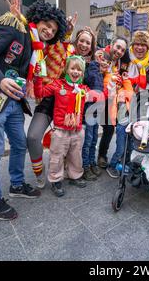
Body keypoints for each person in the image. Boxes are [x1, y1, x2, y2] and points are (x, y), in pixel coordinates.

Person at [0, 0, 67, 220]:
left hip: (13, 102)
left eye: (54, 30)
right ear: (37, 18)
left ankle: (16, 185)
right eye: (47, 24)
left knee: (19, 143)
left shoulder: (36, 45)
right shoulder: (13, 27)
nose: (49, 31)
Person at [27, 27, 97, 188]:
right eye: (81, 40)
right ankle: (51, 177)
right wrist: (38, 78)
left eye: (88, 42)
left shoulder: (89, 72)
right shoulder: (64, 55)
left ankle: (73, 174)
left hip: (75, 122)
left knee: (75, 152)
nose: (84, 44)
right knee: (51, 150)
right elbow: (42, 90)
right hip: (54, 111)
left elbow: (94, 92)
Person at [34, 56, 94, 197]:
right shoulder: (57, 85)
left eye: (79, 70)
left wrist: (109, 89)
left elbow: (97, 97)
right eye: (73, 68)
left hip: (77, 129)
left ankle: (75, 176)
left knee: (76, 155)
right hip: (60, 130)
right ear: (66, 69)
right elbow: (40, 93)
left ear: (82, 73)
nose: (75, 72)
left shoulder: (84, 88)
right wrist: (37, 78)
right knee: (57, 156)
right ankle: (56, 180)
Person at [97, 37, 129, 169]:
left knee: (113, 128)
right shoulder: (101, 55)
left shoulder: (121, 62)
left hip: (113, 100)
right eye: (118, 47)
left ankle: (110, 155)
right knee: (107, 128)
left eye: (122, 50)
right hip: (99, 97)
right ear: (111, 45)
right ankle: (100, 156)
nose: (119, 51)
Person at [81, 50, 110, 180]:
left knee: (93, 140)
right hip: (89, 110)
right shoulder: (93, 68)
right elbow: (90, 78)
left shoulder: (101, 74)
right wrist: (96, 64)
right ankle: (85, 166)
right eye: (103, 60)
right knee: (88, 141)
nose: (105, 64)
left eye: (108, 62)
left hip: (96, 110)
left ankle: (92, 162)